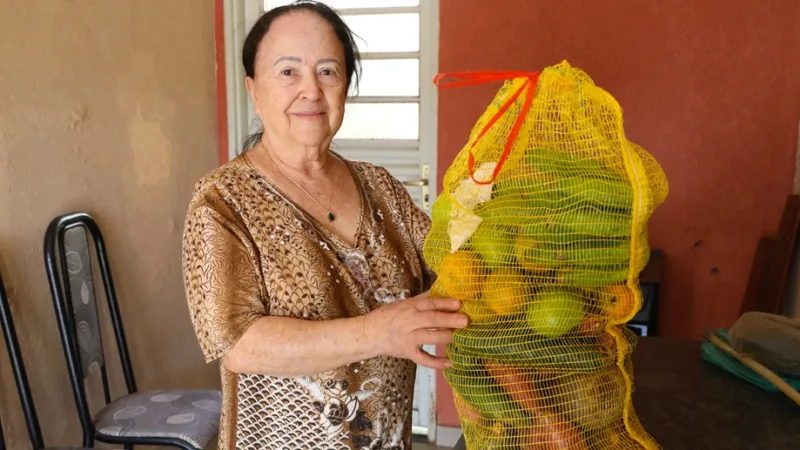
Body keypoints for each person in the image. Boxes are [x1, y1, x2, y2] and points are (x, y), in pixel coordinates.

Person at [181, 2, 468, 449]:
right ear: (253, 90)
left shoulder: (380, 188)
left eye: (328, 71)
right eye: (288, 72)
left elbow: (449, 268)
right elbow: (240, 345)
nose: (311, 90)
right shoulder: (222, 201)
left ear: (345, 87)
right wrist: (382, 331)